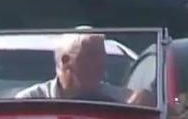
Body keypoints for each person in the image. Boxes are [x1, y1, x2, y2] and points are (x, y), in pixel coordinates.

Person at [14, 33, 153, 104]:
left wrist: (146, 100)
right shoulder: (30, 101)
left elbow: (170, 114)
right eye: (91, 56)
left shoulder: (117, 100)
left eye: (103, 57)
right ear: (65, 60)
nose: (101, 64)